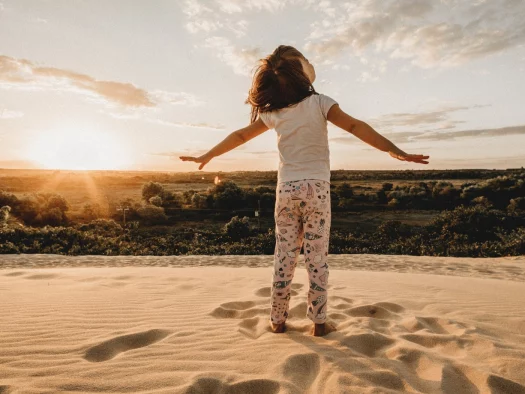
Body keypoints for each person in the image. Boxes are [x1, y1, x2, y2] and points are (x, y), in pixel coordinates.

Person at [180, 45, 429, 337]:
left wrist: (208, 155)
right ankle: (319, 323)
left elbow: (240, 135)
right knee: (317, 258)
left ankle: (277, 320)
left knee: (284, 257)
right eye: (306, 61)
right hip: (317, 191)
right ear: (301, 72)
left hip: (286, 190)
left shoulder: (274, 113)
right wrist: (394, 151)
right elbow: (355, 125)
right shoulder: (320, 103)